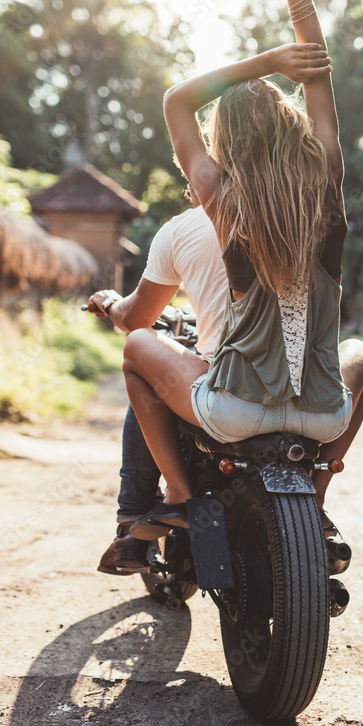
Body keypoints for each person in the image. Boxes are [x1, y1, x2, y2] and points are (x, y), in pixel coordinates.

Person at [121, 0, 363, 544]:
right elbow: (315, 64)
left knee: (138, 346)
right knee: (360, 355)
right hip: (321, 417)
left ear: (225, 141)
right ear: (292, 132)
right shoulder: (326, 186)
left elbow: (177, 100)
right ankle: (314, 503)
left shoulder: (222, 199)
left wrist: (261, 65)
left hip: (234, 412)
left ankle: (177, 493)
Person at [86, 189, 228, 573]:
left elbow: (136, 317)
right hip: (300, 385)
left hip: (229, 388)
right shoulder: (299, 210)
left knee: (140, 355)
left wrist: (111, 303)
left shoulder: (183, 228)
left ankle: (138, 519)